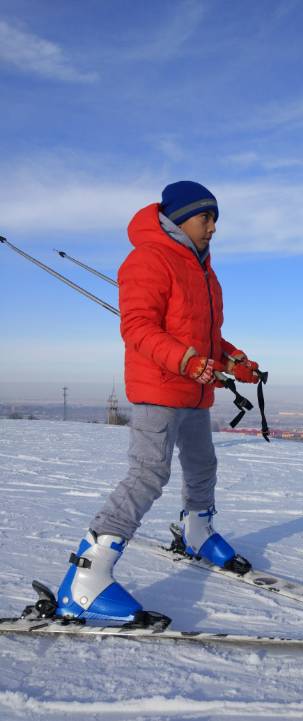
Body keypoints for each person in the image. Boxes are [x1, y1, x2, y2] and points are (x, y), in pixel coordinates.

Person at [55, 181, 261, 624]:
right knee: (148, 474)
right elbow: (137, 327)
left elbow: (203, 337)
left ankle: (198, 532)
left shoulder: (204, 270)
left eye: (215, 220)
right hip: (159, 388)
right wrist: (187, 361)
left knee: (203, 465)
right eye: (206, 218)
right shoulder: (148, 258)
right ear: (181, 217)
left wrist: (236, 362)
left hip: (193, 390)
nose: (213, 228)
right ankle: (85, 581)